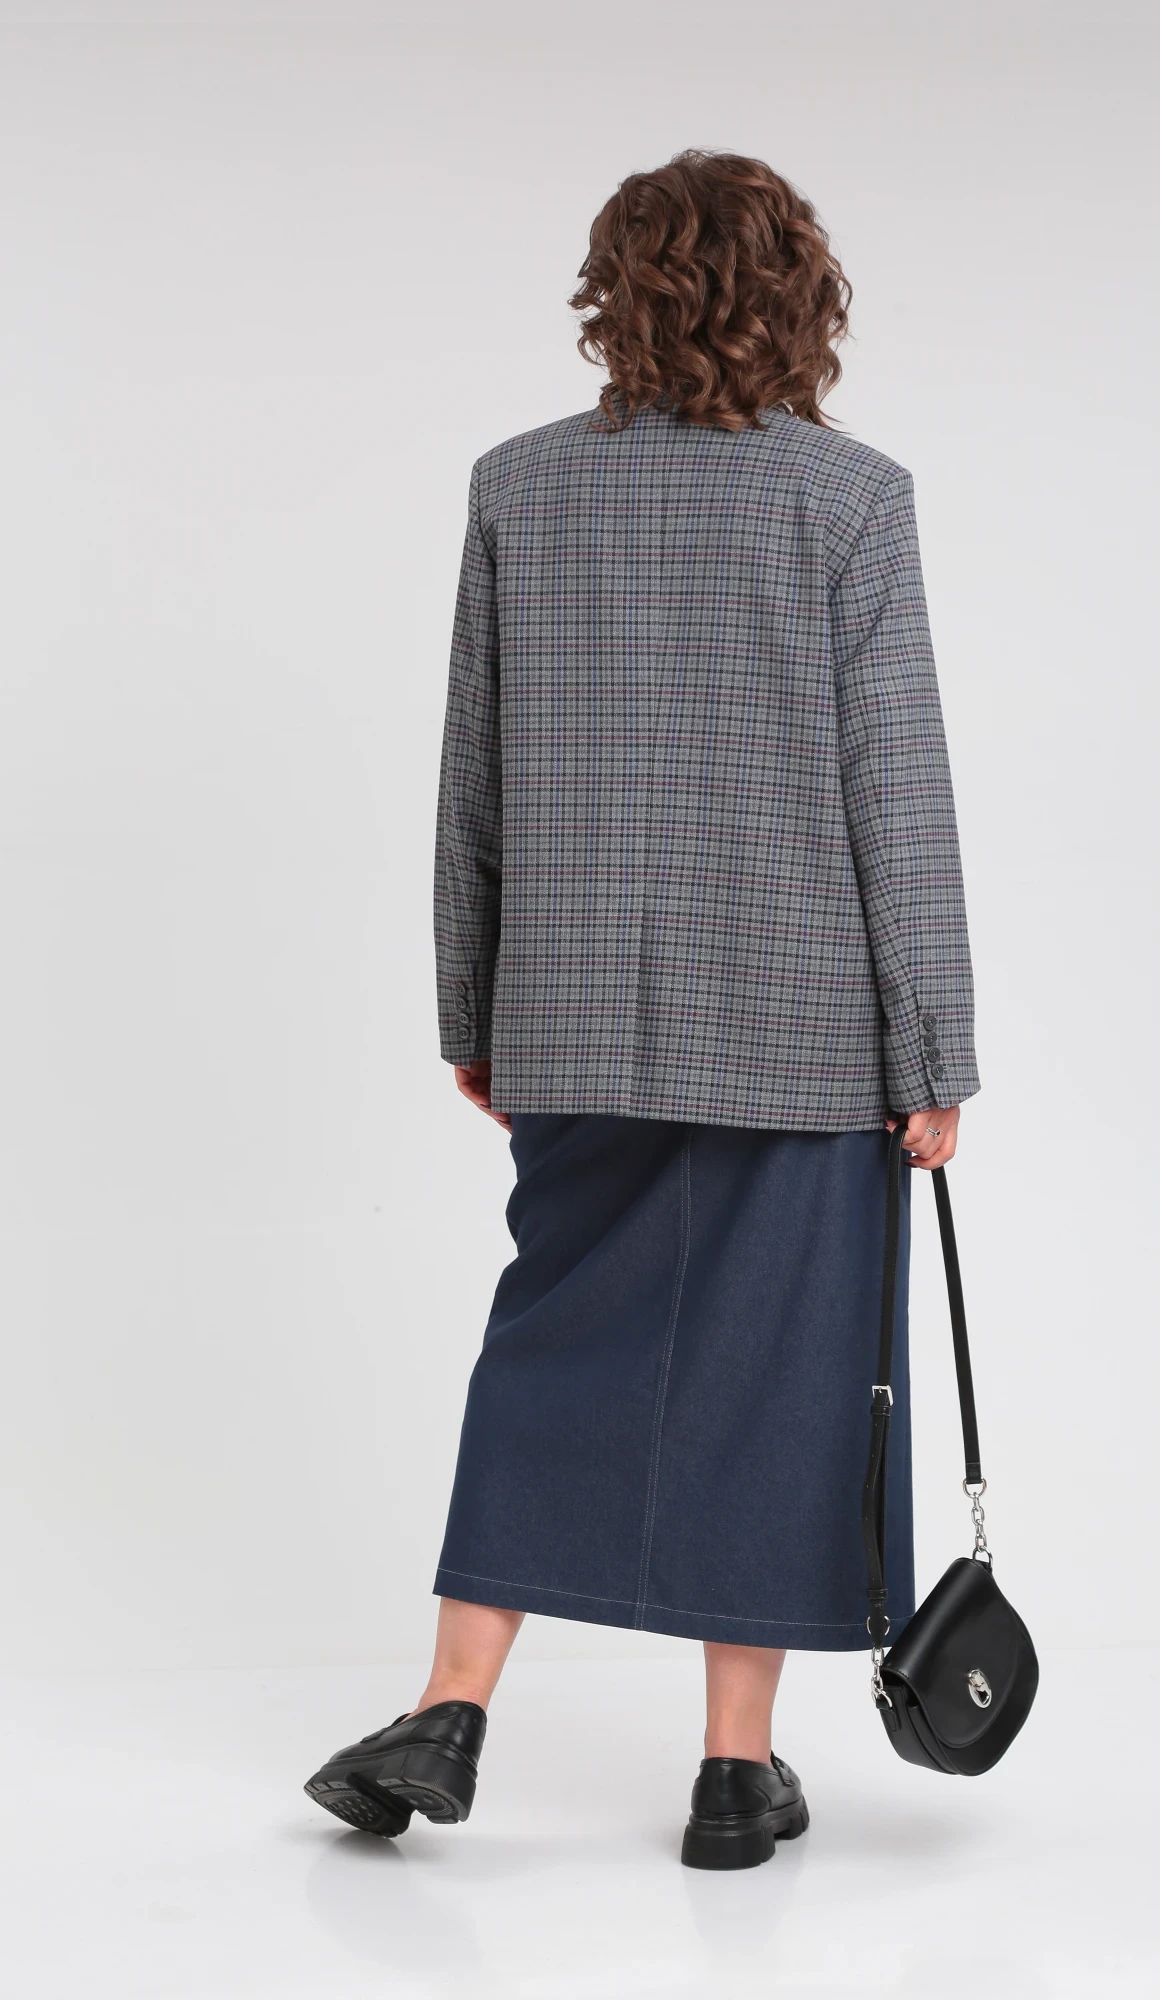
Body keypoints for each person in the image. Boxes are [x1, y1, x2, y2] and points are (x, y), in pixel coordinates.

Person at [304, 148, 978, 1871]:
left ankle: (449, 1709)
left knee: (549, 1349)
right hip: (807, 1030)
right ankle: (736, 1773)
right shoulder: (850, 499)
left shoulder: (521, 487)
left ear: (619, 294)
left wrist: (475, 1006)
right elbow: (895, 796)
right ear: (802, 296)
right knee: (783, 1384)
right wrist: (934, 1051)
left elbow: (472, 777)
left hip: (577, 1013)